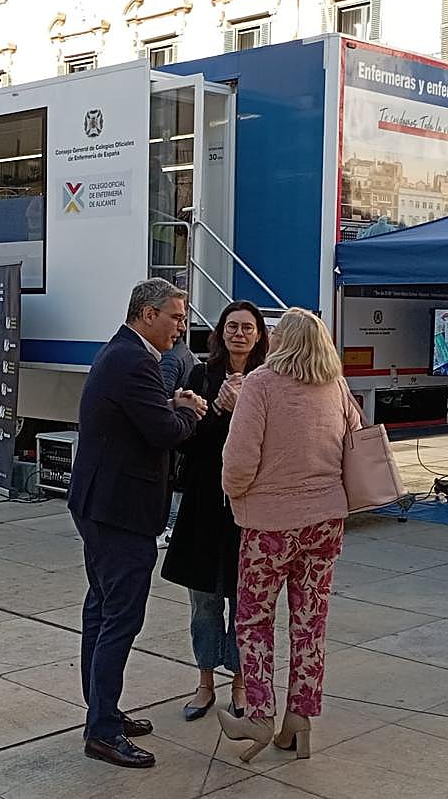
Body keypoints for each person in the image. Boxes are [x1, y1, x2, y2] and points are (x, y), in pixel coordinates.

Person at [67, 278, 206, 769]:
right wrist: (187, 411)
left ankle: (102, 711)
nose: (181, 326)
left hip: (101, 505)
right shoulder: (134, 360)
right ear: (147, 314)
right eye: (175, 316)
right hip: (119, 512)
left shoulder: (124, 354)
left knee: (101, 611)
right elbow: (164, 431)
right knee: (119, 617)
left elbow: (140, 418)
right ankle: (102, 730)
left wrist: (170, 406)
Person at [216, 307, 359, 763]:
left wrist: (235, 493)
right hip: (326, 523)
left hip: (269, 525)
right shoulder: (335, 386)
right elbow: (355, 441)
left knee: (254, 621)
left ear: (286, 341)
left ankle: (259, 713)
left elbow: (238, 463)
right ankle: (300, 718)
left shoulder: (260, 384)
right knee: (310, 620)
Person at [162, 300, 268, 722]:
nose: (239, 333)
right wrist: (219, 407)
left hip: (250, 506)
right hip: (205, 503)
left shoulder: (268, 380)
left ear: (260, 335)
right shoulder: (201, 376)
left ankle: (239, 683)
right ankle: (205, 681)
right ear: (220, 332)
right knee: (204, 600)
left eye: (247, 327)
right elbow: (185, 439)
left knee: (246, 600)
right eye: (232, 326)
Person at [157, 331, 200, 549]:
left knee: (171, 482)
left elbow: (161, 398)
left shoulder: (171, 358)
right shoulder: (185, 353)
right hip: (183, 427)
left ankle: (170, 528)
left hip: (176, 428)